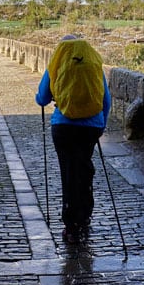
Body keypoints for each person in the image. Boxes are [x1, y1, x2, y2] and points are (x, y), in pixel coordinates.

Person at [36, 34, 112, 243]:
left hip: (64, 126)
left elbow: (42, 98)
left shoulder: (57, 64)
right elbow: (106, 99)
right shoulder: (93, 65)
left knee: (68, 172)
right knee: (85, 168)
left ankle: (71, 227)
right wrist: (101, 124)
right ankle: (85, 216)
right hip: (91, 127)